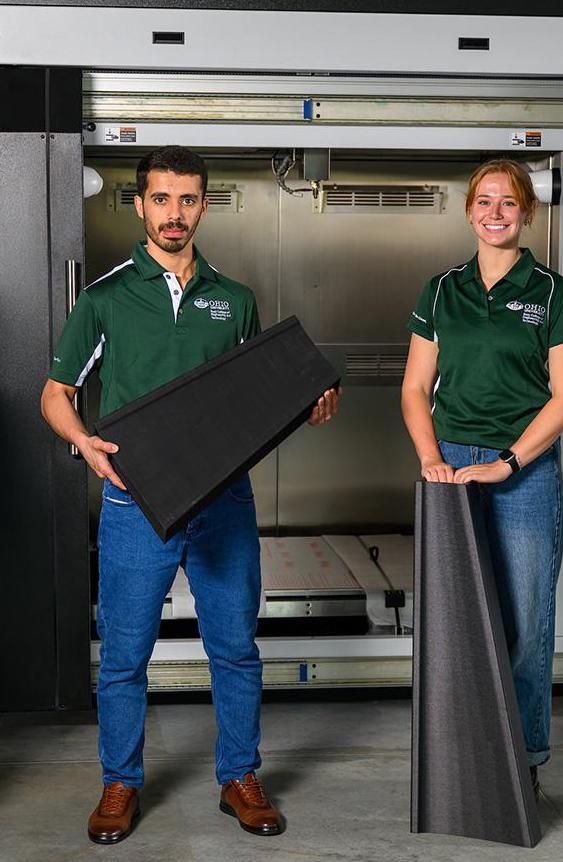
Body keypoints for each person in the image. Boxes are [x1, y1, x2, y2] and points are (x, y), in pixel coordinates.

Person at [40, 146, 340, 845]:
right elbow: (55, 395)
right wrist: (84, 445)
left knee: (234, 647)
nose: (174, 213)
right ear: (140, 204)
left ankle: (238, 777)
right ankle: (120, 783)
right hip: (133, 506)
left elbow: (254, 398)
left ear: (203, 205)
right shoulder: (105, 298)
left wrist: (310, 397)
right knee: (123, 655)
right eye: (161, 199)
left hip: (223, 505)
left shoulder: (233, 299)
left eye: (188, 199)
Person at [401, 159, 563, 790]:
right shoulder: (439, 290)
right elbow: (414, 387)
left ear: (528, 212)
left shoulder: (553, 295)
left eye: (508, 203)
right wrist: (433, 458)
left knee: (526, 622)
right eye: (484, 202)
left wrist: (506, 463)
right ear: (468, 212)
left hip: (524, 473)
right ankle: (463, 753)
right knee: (453, 621)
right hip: (450, 468)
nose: (495, 213)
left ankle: (524, 763)